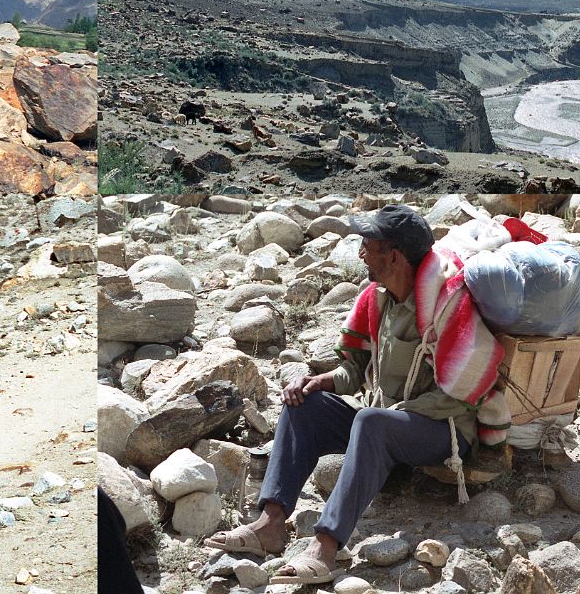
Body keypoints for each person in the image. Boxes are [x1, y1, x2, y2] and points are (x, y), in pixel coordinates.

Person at [203, 205, 509, 586]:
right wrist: (323, 381)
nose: (361, 252)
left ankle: (326, 547)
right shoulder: (377, 300)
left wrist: (392, 416)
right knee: (305, 406)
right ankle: (270, 524)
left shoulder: (449, 306)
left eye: (368, 244)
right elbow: (357, 370)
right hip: (385, 426)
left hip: (444, 433)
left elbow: (465, 393)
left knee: (371, 421)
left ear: (393, 255)